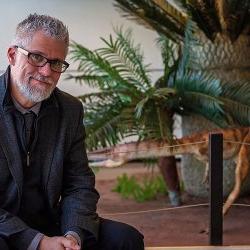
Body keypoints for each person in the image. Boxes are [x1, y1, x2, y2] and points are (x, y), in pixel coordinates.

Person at [0, 13, 144, 250]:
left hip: (50, 223)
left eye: (56, 63)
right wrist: (38, 243)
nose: (47, 72)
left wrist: (72, 236)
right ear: (13, 55)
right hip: (5, 230)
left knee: (126, 239)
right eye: (37, 57)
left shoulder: (69, 110)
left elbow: (79, 183)